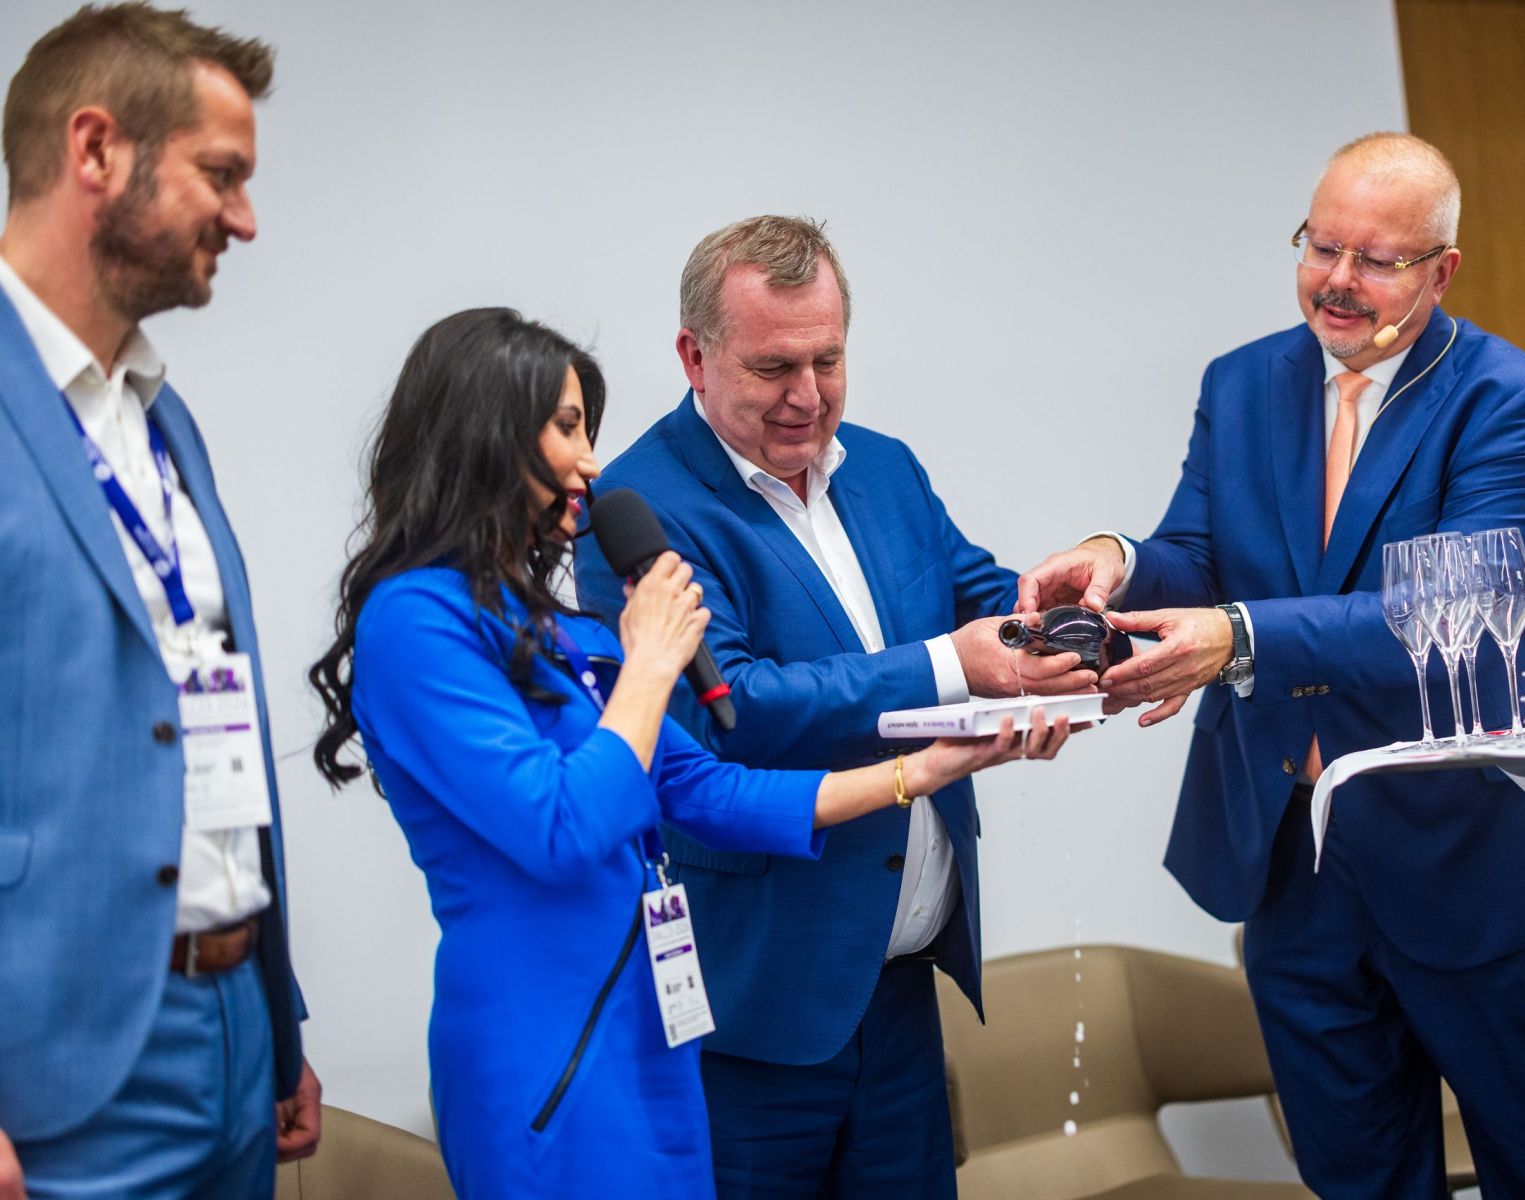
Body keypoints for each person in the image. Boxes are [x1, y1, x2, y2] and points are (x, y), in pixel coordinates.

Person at [307, 307, 1072, 1197]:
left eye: (586, 429)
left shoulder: (551, 629)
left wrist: (921, 771)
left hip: (654, 1022)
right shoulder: (414, 621)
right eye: (565, 428)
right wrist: (651, 663)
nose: (591, 462)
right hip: (546, 1040)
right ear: (485, 435)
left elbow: (709, 790)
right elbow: (561, 827)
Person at [1018, 133, 1525, 1198]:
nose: (1338, 279)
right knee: (1355, 1177)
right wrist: (1119, 559)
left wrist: (1240, 637)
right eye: (1321, 245)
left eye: (1377, 259)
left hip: (1464, 845)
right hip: (1289, 852)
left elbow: (1451, 607)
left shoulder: (1509, 400)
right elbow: (1200, 550)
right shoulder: (1245, 381)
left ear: (1442, 271)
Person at [573, 214, 1092, 1198]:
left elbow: (985, 603)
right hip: (755, 1011)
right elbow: (733, 706)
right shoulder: (637, 508)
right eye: (773, 367)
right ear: (694, 356)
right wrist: (954, 666)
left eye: (828, 359)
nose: (808, 396)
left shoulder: (886, 467)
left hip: (901, 990)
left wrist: (1084, 635)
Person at [0, 5, 320, 1198]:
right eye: (221, 175)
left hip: (232, 1032)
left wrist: (274, 1015)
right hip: (55, 1070)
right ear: (96, 150)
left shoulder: (161, 417)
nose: (245, 217)